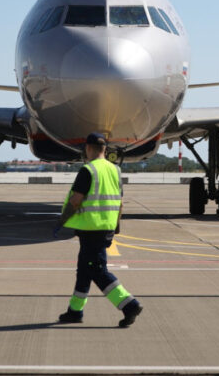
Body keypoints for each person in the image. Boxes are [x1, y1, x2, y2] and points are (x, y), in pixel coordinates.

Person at [53, 132, 143, 327]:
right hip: (106, 228)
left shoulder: (88, 170)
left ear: (88, 148)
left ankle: (129, 304)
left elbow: (76, 200)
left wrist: (62, 220)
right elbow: (120, 203)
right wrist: (115, 228)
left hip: (90, 229)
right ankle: (75, 311)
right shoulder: (115, 170)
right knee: (84, 270)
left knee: (98, 271)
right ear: (105, 149)